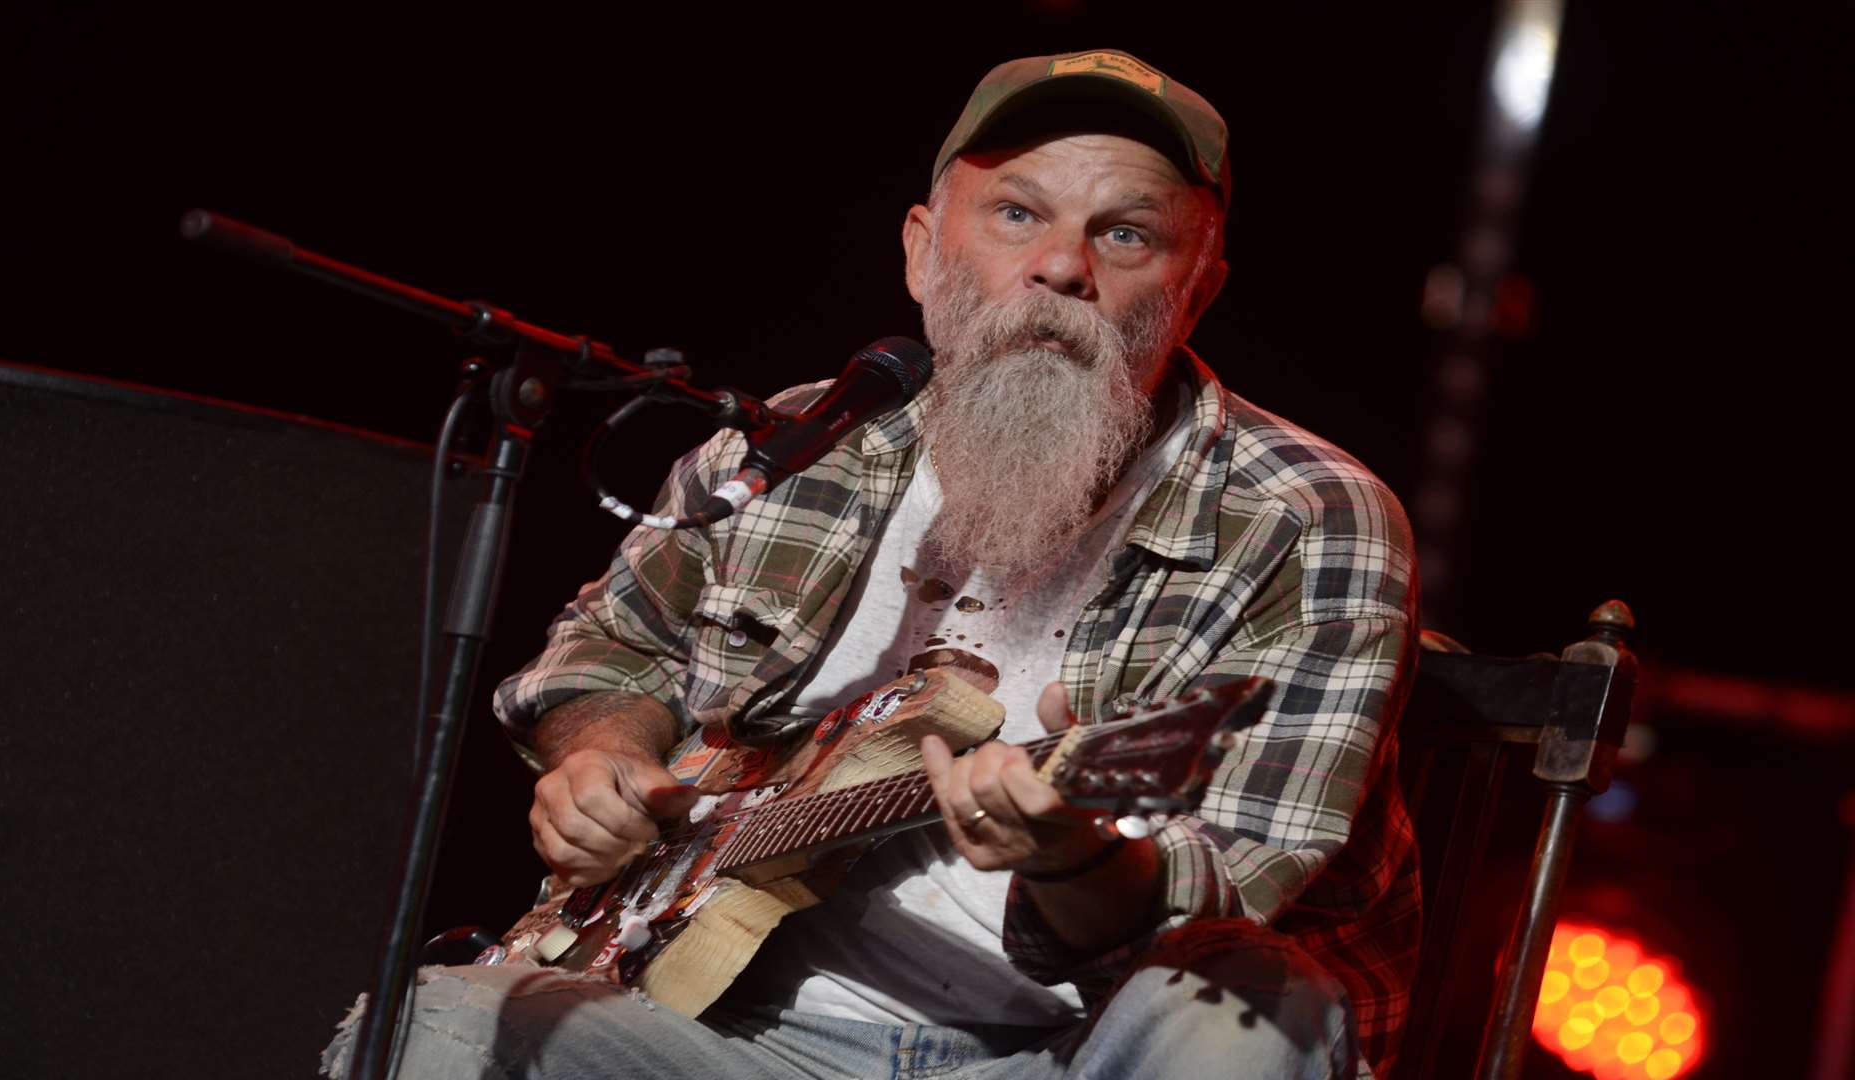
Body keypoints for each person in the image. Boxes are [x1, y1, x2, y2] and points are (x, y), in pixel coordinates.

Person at [324, 48, 1419, 1080]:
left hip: (1062, 1047)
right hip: (723, 1028)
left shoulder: (1306, 517)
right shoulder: (802, 442)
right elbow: (609, 649)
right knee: (431, 1022)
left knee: (1249, 1005)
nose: (1060, 266)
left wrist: (1075, 854)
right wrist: (600, 755)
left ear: (1200, 287)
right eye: (1017, 212)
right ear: (921, 249)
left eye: (1126, 235)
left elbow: (1237, 883)